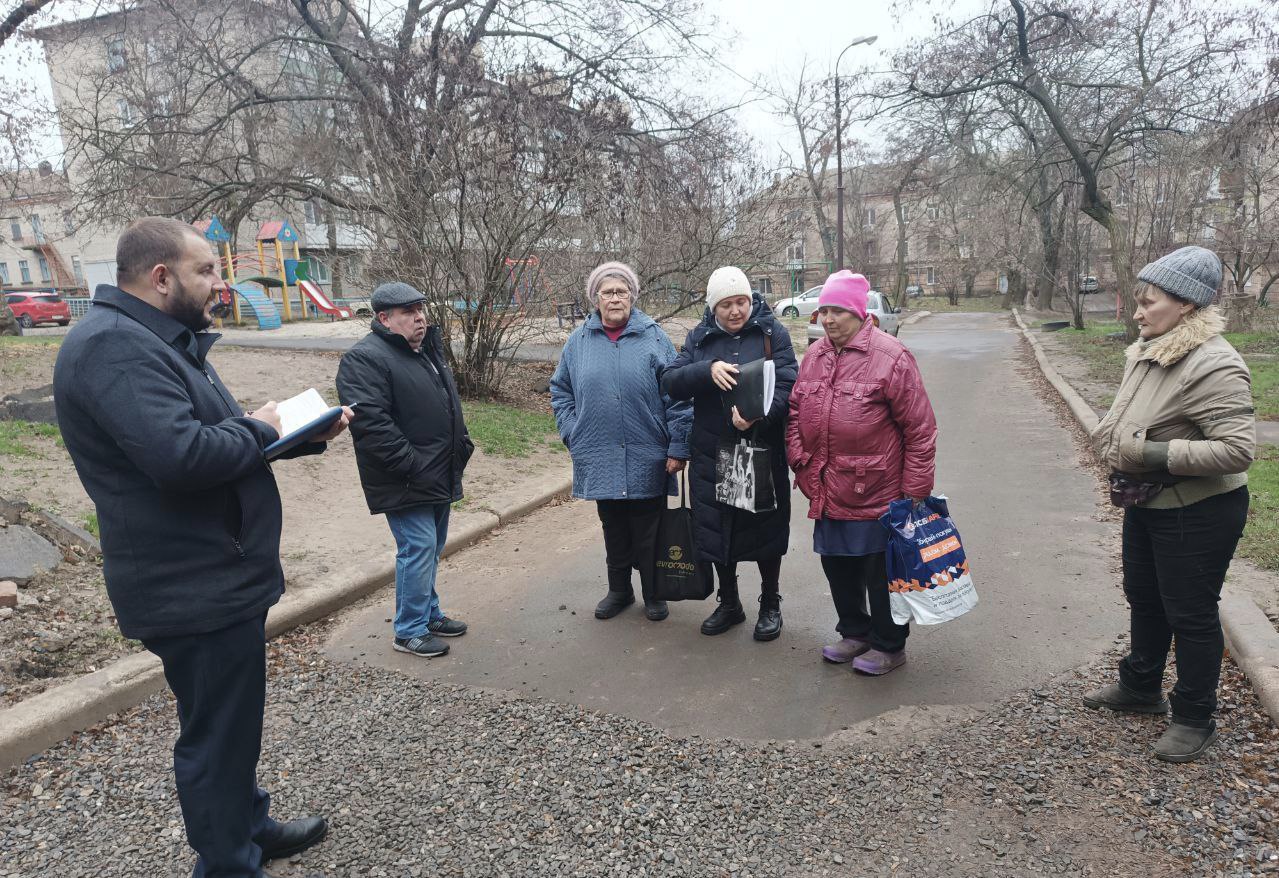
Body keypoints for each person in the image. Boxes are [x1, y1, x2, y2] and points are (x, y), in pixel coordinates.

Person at [53, 217, 349, 877]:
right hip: (190, 584)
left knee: (230, 725)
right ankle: (226, 863)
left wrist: (296, 432)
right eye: (206, 271)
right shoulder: (113, 347)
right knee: (215, 737)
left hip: (215, 574)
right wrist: (256, 426)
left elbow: (207, 439)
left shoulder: (154, 339)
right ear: (161, 278)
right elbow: (181, 456)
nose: (221, 283)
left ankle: (248, 828)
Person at [1084, 246, 1255, 763]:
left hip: (1198, 510)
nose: (1137, 312)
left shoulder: (1214, 362)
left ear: (1186, 305)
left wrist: (1145, 452)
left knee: (1191, 612)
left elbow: (1237, 449)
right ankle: (1141, 688)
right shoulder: (1154, 346)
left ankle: (1194, 717)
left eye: (1149, 302)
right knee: (1145, 595)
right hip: (1151, 502)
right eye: (1138, 301)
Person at [786, 270, 937, 676]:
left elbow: (919, 429)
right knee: (837, 564)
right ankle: (855, 632)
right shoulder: (816, 356)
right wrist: (800, 462)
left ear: (858, 311)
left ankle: (889, 645)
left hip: (878, 490)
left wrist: (915, 490)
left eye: (837, 311)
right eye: (823, 311)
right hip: (827, 484)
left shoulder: (891, 357)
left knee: (880, 572)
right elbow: (796, 411)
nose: (828, 319)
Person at [337, 282, 474, 659]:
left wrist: (460, 446)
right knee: (418, 547)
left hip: (439, 470)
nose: (420, 317)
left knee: (430, 548)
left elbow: (446, 405)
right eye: (409, 312)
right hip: (407, 477)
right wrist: (412, 466)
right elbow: (372, 426)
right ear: (384, 318)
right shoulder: (366, 358)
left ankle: (428, 614)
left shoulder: (424, 349)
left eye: (421, 309)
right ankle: (408, 630)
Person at [661, 266, 797, 640]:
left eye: (742, 301)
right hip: (713, 453)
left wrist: (759, 417)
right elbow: (671, 382)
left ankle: (770, 603)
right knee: (720, 531)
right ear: (713, 307)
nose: (736, 311)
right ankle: (730, 603)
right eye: (726, 304)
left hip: (761, 450)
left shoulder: (772, 334)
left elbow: (788, 385)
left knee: (765, 531)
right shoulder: (699, 339)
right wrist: (707, 370)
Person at [550, 262, 691, 620]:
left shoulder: (653, 336)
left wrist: (678, 445)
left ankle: (653, 592)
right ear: (595, 299)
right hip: (599, 452)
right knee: (613, 526)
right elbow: (561, 390)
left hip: (649, 452)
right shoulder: (578, 342)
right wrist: (571, 430)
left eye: (621, 292)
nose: (615, 298)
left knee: (650, 527)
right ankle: (619, 591)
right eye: (608, 292)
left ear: (633, 296)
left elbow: (678, 396)